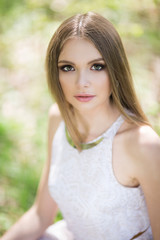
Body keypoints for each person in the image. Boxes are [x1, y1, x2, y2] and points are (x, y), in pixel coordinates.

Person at [1, 11, 160, 240]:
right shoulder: (58, 118)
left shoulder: (143, 145)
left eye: (97, 66)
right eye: (68, 67)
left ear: (115, 70)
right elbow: (40, 215)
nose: (81, 83)